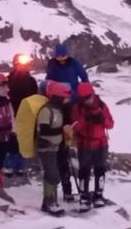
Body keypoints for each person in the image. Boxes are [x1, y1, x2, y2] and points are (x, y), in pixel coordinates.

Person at [45, 44, 89, 201]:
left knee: (72, 122)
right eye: (59, 57)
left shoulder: (74, 63)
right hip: (58, 99)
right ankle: (64, 188)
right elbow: (48, 81)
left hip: (73, 98)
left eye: (63, 57)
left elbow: (83, 76)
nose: (61, 60)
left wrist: (83, 91)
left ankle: (72, 142)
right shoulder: (53, 65)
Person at [71, 82, 114, 211]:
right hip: (85, 144)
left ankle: (98, 195)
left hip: (101, 143)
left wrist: (102, 120)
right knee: (84, 171)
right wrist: (86, 120)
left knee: (100, 170)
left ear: (92, 94)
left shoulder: (101, 106)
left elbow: (111, 124)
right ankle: (84, 197)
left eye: (87, 97)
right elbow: (75, 127)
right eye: (83, 98)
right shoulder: (77, 108)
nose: (86, 101)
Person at [37, 81, 72, 216]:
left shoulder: (57, 110)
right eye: (64, 97)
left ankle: (50, 202)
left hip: (55, 147)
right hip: (46, 148)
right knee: (52, 174)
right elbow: (44, 130)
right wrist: (61, 130)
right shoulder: (46, 111)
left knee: (52, 174)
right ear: (58, 97)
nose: (66, 100)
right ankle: (49, 202)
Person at [3, 53, 38, 175]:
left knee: (24, 142)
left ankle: (21, 167)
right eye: (21, 64)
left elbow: (35, 98)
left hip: (27, 116)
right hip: (11, 115)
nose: (24, 67)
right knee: (12, 141)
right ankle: (9, 167)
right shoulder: (7, 80)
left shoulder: (31, 81)